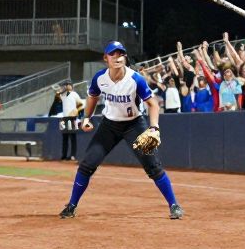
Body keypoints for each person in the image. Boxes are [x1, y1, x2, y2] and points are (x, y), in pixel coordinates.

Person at [59, 41, 183, 220]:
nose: (117, 58)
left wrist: (154, 127)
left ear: (125, 57)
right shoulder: (100, 78)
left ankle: (174, 205)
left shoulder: (135, 79)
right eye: (113, 54)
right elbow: (92, 96)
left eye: (121, 54)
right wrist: (86, 117)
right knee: (87, 164)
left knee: (153, 166)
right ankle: (71, 206)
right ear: (105, 58)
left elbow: (153, 104)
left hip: (134, 124)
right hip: (109, 125)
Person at [59, 81, 84, 161]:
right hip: (64, 118)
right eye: (65, 85)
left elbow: (80, 105)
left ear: (71, 86)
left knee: (73, 137)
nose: (65, 86)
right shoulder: (62, 94)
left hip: (73, 118)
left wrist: (79, 117)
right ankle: (64, 155)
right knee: (64, 138)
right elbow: (60, 92)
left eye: (67, 85)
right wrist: (64, 88)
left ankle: (73, 155)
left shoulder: (75, 94)